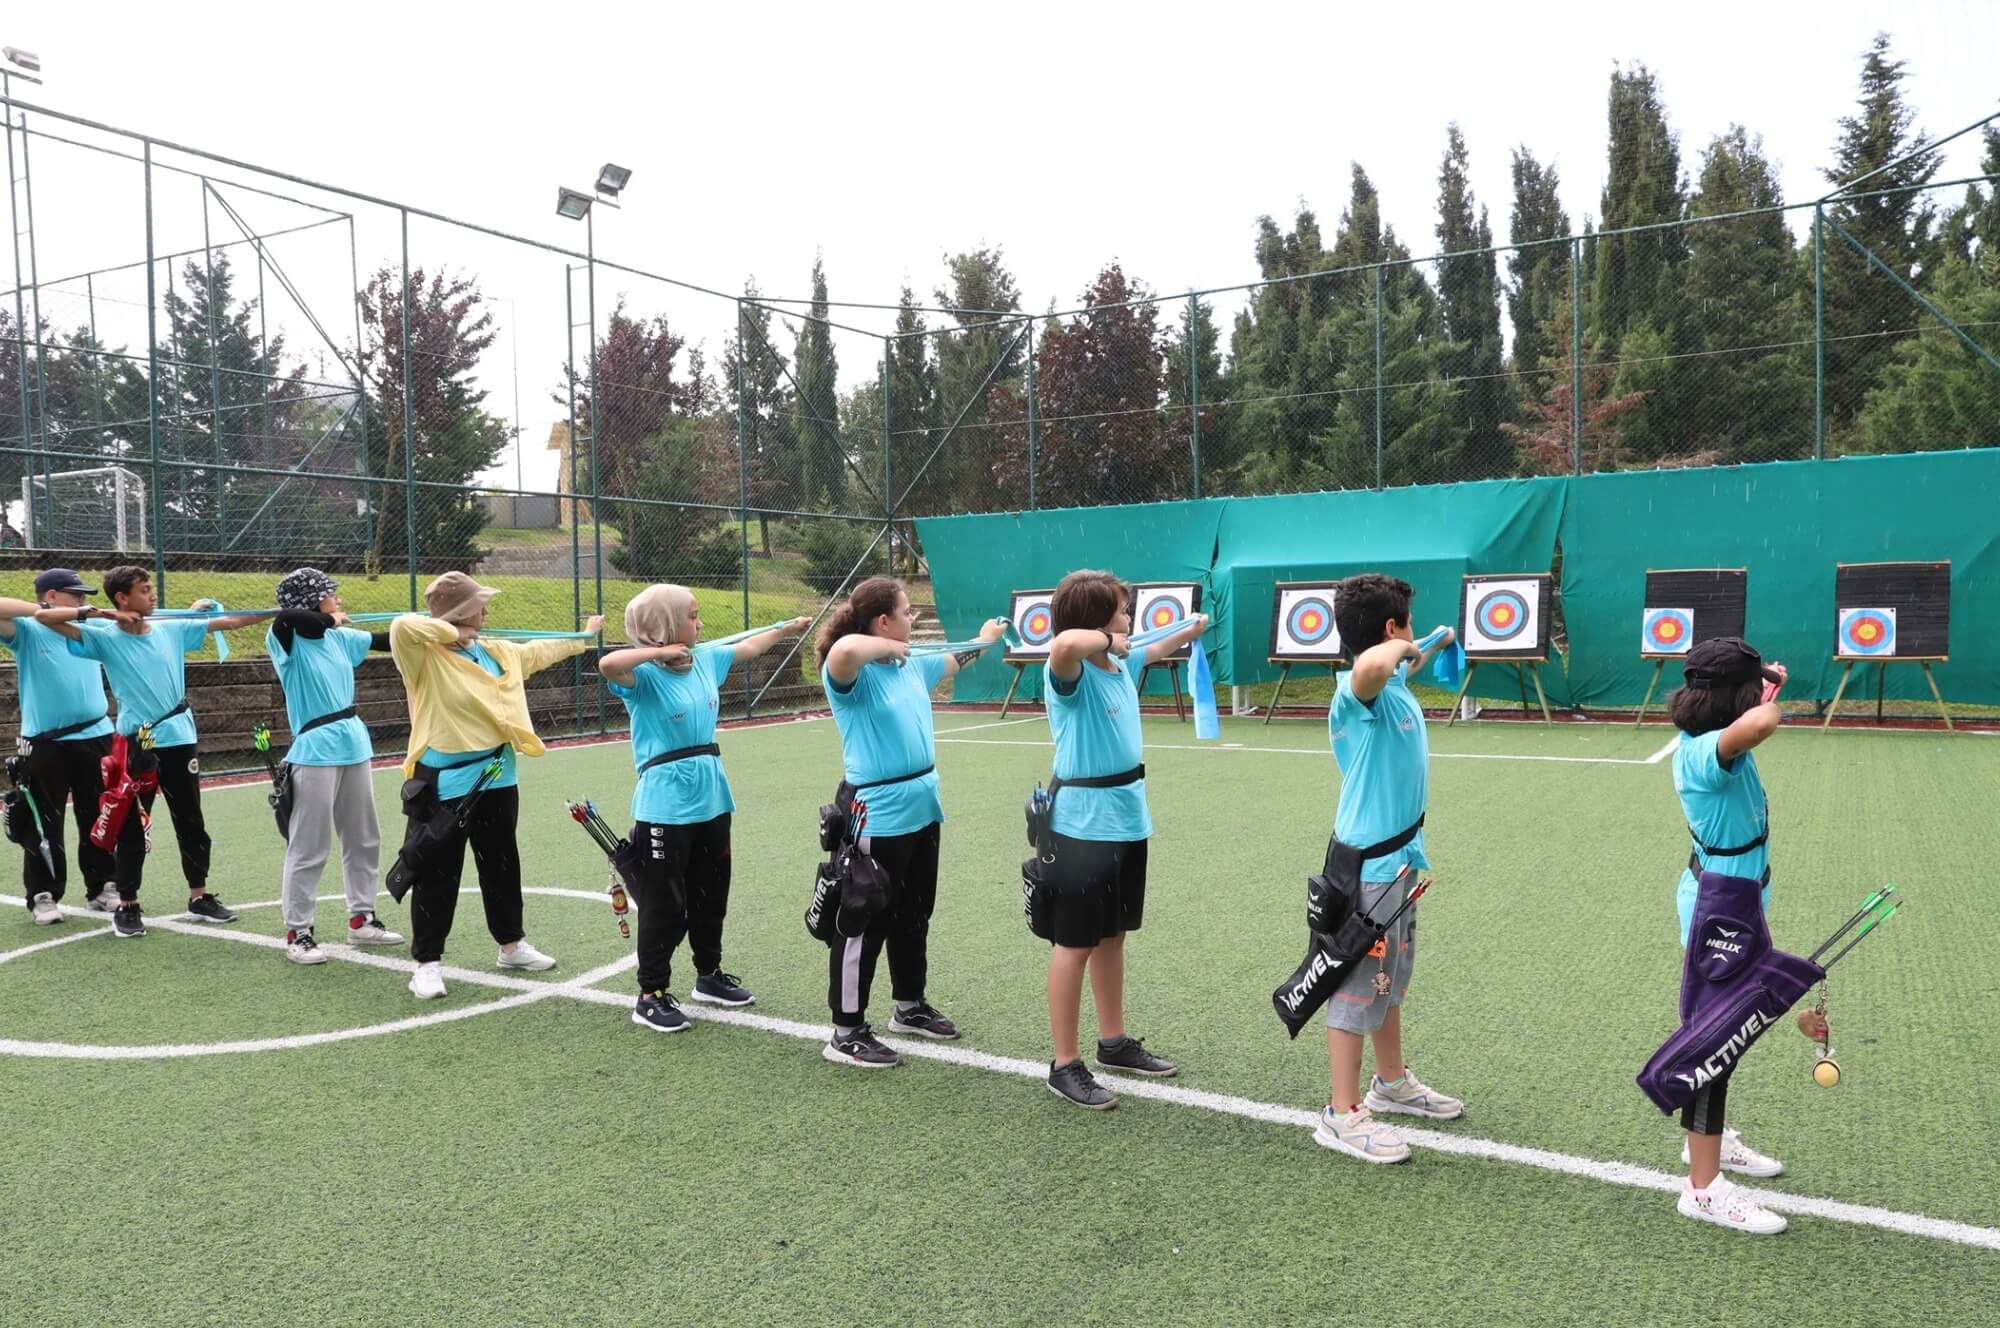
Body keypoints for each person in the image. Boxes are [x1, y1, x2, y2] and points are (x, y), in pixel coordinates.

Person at [599, 584, 810, 1032]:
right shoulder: (643, 677)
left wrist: (787, 628)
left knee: (711, 893)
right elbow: (608, 664)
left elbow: (749, 646)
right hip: (664, 803)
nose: (700, 624)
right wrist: (655, 652)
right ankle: (650, 993)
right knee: (663, 903)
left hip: (712, 794)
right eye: (691, 616)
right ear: (664, 626)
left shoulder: (707, 660)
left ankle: (708, 976)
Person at [815, 577, 1006, 1068]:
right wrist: (891, 648)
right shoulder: (851, 672)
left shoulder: (912, 666)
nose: (913, 621)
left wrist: (984, 640)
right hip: (876, 812)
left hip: (922, 807)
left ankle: (909, 1006)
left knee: (913, 913)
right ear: (883, 621)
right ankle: (846, 1030)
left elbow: (957, 658)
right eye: (905, 612)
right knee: (863, 919)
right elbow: (844, 649)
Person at [1036, 570, 1206, 1109]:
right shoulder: (1069, 669)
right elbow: (1063, 641)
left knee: (1112, 937)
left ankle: (1113, 1042)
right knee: (1075, 943)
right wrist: (1109, 640)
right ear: (1096, 620)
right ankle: (1064, 1064)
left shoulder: (1121, 662)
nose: (1128, 619)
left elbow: (1152, 649)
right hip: (1080, 827)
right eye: (1120, 610)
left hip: (1128, 821)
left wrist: (1191, 630)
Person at [389, 571, 600, 999]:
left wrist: (584, 636)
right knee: (436, 872)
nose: (486, 611)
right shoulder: (424, 656)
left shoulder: (496, 651)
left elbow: (539, 651)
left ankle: (511, 944)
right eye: (477, 606)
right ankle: (426, 963)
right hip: (445, 783)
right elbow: (401, 625)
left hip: (498, 774)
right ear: (462, 612)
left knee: (501, 863)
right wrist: (453, 628)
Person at [1312, 573, 1464, 1163]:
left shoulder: (1394, 678)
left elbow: (1401, 663)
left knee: (1388, 984)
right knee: (1354, 990)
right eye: (1401, 630)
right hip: (1367, 873)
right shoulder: (1357, 691)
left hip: (1397, 864)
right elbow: (1370, 670)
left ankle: (1390, 1083)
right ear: (1386, 630)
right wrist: (1400, 646)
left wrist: (1431, 640)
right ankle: (1341, 1113)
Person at [36, 565, 267, 939]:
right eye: (144, 590)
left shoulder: (171, 627)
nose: (153, 595)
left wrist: (278, 612)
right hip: (136, 743)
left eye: (151, 589)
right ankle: (127, 904)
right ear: (123, 598)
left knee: (190, 819)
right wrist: (98, 613)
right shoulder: (104, 636)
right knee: (130, 825)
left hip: (180, 738)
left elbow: (230, 622)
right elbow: (44, 616)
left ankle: (199, 896)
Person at [1664, 636, 1790, 1234]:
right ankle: (1704, 1189)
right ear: (1731, 702)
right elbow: (1763, 722)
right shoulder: (1700, 755)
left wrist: (1755, 690)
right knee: (1714, 1043)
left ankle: (1705, 1146)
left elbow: (1753, 720)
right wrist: (1765, 700)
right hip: (1719, 912)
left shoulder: (1722, 742)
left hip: (1739, 903)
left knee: (1726, 1036)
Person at [266, 567, 403, 965]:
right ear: (312, 600)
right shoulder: (285, 637)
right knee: (309, 845)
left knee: (364, 837)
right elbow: (289, 617)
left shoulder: (337, 637)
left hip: (353, 744)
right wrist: (329, 619)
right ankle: (299, 931)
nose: (338, 599)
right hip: (314, 750)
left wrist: (432, 630)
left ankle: (361, 919)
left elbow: (385, 640)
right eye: (330, 594)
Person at [0, 569, 117, 924]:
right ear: (50, 596)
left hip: (96, 736)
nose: (82, 600)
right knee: (43, 820)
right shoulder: (28, 630)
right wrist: (42, 612)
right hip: (46, 743)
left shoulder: (89, 629)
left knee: (99, 814)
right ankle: (43, 895)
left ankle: (102, 887)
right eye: (74, 595)